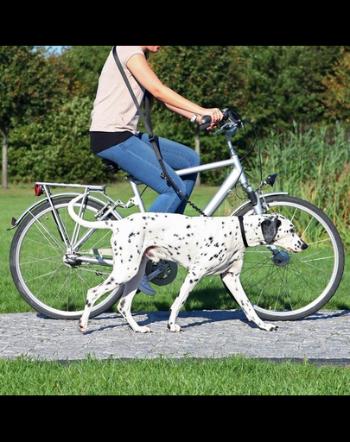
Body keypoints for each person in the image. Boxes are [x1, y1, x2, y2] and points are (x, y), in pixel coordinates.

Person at [89, 46, 224, 294]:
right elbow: (159, 91)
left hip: (125, 135)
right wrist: (202, 110)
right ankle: (138, 259)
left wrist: (196, 117)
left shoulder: (137, 53)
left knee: (190, 160)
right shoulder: (130, 49)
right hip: (111, 137)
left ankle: (168, 237)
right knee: (173, 189)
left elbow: (162, 98)